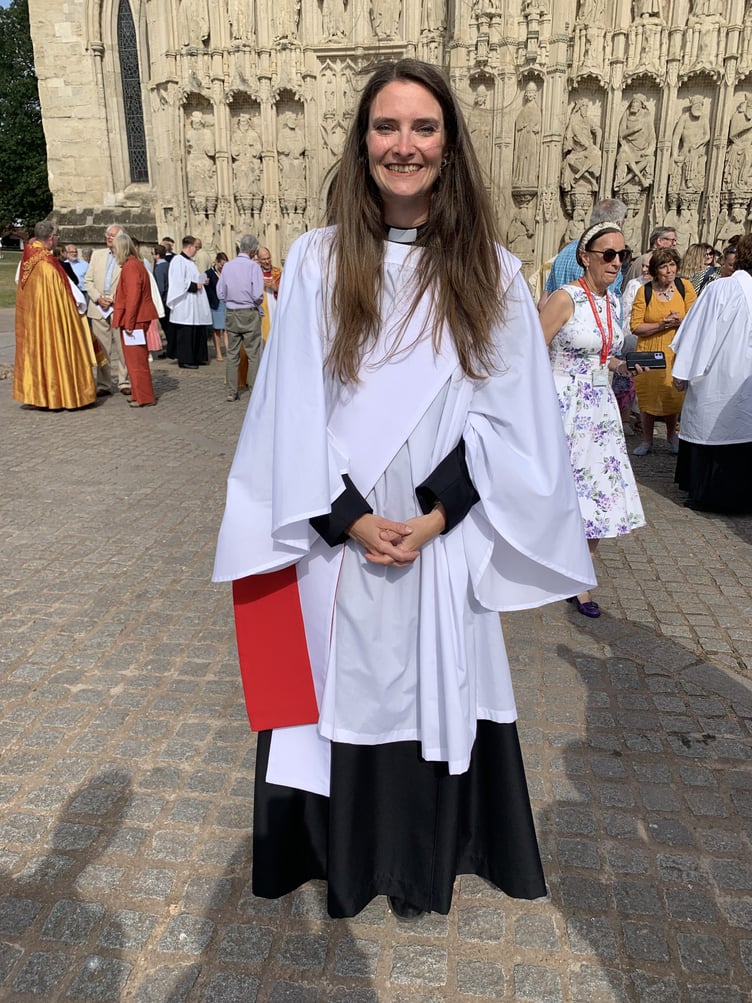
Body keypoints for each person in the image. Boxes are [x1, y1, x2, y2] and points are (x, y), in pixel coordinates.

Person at [213, 59, 595, 921]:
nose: (404, 145)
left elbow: (512, 422)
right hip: (336, 530)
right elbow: (286, 409)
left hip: (435, 530)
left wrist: (433, 517)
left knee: (430, 685)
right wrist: (349, 518)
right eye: (387, 127)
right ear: (362, 143)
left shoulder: (491, 273)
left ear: (450, 147)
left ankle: (423, 862)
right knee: (345, 685)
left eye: (423, 128)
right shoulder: (317, 260)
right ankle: (343, 864)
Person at [539, 223, 646, 617]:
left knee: (599, 496)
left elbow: (603, 352)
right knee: (556, 494)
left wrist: (621, 364)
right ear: (585, 257)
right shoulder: (566, 299)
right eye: (608, 254)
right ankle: (539, 567)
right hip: (562, 406)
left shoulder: (612, 301)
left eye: (623, 255)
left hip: (600, 410)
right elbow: (533, 353)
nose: (617, 262)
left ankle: (578, 580)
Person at [670, 233, 752, 512]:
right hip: (742, 382)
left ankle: (706, 493)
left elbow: (697, 333)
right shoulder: (724, 289)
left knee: (717, 433)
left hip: (717, 378)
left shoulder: (721, 289)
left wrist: (681, 372)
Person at [13, 221, 96, 411]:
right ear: (51, 238)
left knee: (38, 354)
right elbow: (66, 292)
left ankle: (38, 396)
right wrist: (79, 307)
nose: (57, 239)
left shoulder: (28, 257)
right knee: (58, 350)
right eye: (56, 236)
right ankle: (64, 395)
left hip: (32, 318)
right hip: (52, 317)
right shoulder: (48, 264)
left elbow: (19, 280)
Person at [630, 247, 697, 455]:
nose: (669, 271)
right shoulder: (645, 291)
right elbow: (635, 326)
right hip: (650, 351)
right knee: (648, 396)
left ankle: (671, 435)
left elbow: (696, 318)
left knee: (672, 395)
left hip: (676, 351)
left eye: (672, 265)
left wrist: (679, 322)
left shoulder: (684, 287)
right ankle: (647, 440)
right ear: (655, 270)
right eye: (663, 266)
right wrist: (662, 325)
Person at [538, 198, 627, 307]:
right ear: (617, 224)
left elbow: (542, 304)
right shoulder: (608, 263)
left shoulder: (564, 253)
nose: (617, 262)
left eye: (623, 255)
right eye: (622, 224)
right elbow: (609, 308)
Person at [111, 233, 158, 407]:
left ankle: (144, 396)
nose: (114, 253)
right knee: (133, 360)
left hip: (136, 320)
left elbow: (133, 296)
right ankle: (138, 393)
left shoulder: (131, 267)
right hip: (137, 318)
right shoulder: (135, 265)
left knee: (137, 360)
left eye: (115, 249)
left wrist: (129, 323)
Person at [217, 234, 264, 402]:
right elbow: (258, 293)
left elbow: (220, 291)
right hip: (249, 312)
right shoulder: (253, 267)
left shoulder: (228, 266)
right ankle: (253, 389)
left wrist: (230, 301)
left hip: (231, 312)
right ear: (253, 250)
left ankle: (232, 390)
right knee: (253, 353)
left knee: (232, 354)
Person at [85, 223, 130, 396]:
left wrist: (114, 299)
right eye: (107, 235)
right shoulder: (97, 255)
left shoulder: (126, 257)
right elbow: (88, 281)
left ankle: (124, 381)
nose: (109, 238)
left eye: (112, 235)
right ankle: (103, 383)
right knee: (102, 348)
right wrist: (97, 298)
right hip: (98, 307)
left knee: (122, 346)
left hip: (117, 307)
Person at [166, 235, 212, 369]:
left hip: (194, 303)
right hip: (184, 303)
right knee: (186, 333)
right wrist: (193, 286)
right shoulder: (177, 260)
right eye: (196, 248)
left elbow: (193, 278)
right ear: (190, 246)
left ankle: (197, 357)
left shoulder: (191, 262)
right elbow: (177, 282)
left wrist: (202, 281)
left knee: (196, 330)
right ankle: (185, 359)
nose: (196, 250)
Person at [205, 252, 228, 361]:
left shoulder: (227, 273)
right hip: (215, 303)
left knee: (227, 329)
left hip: (226, 302)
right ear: (217, 262)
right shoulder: (209, 273)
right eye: (222, 265)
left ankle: (228, 351)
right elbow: (205, 289)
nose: (223, 268)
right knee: (217, 329)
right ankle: (218, 351)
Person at [256, 246, 282, 342]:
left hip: (276, 308)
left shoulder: (278, 272)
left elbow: (287, 293)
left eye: (268, 258)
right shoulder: (254, 273)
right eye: (264, 259)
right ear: (258, 259)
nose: (267, 261)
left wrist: (276, 288)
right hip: (262, 309)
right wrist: (259, 283)